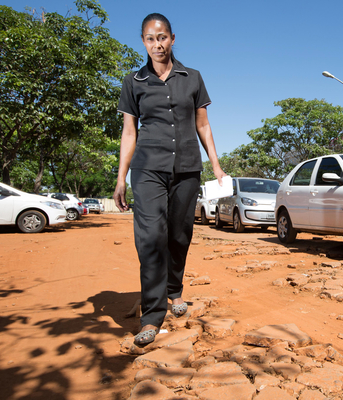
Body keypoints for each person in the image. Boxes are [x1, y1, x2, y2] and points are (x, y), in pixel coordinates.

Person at [114, 13, 226, 346]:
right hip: (147, 168)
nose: (157, 44)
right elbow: (129, 131)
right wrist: (121, 178)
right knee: (150, 237)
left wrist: (216, 166)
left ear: (172, 39)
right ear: (144, 42)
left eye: (161, 37)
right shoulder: (133, 81)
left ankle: (174, 289)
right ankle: (151, 315)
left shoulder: (192, 77)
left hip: (188, 167)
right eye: (150, 38)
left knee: (179, 234)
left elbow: (202, 124)